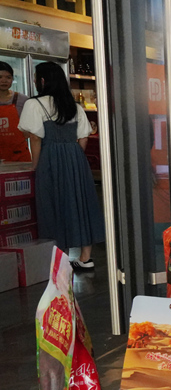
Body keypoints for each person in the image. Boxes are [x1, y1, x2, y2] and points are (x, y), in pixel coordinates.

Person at [19, 62, 104, 271]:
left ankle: (61, 259)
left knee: (52, 206)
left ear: (42, 81)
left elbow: (35, 138)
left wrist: (36, 165)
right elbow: (83, 137)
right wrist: (73, 157)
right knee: (81, 204)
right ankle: (85, 258)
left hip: (49, 157)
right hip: (75, 157)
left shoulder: (34, 104)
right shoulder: (73, 105)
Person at [0, 61, 30, 162]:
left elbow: (32, 126)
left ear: (12, 79)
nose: (4, 81)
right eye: (0, 77)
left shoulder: (22, 99)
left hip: (19, 154)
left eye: (8, 77)